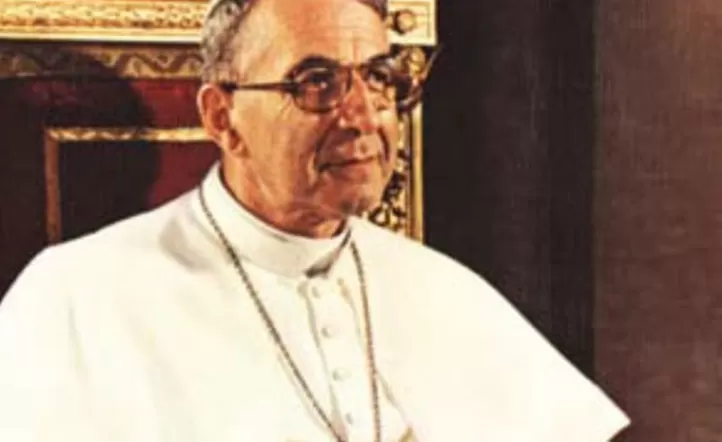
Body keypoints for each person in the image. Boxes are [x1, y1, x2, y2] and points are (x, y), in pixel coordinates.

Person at [0, 0, 630, 440]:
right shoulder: (74, 297)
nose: (364, 116)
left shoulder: (442, 288)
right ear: (221, 117)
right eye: (315, 82)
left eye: (379, 77)